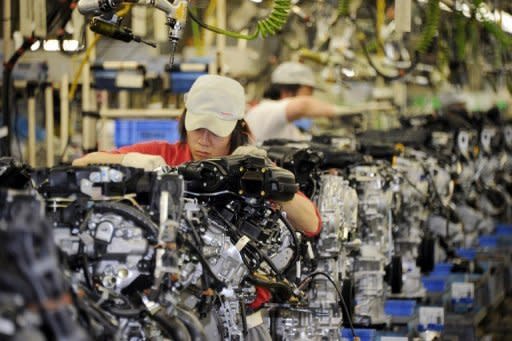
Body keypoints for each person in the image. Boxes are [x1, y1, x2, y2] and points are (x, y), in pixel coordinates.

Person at [72, 74, 322, 340]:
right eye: (197, 127)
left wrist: (268, 181)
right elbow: (81, 166)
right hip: (168, 321)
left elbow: (312, 224)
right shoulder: (165, 155)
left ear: (237, 127)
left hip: (241, 324)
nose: (203, 140)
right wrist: (131, 163)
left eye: (215, 131)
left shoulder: (250, 168)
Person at [245, 61, 343, 143]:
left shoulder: (288, 125)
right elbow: (303, 106)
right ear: (287, 92)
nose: (311, 97)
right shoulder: (263, 111)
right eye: (308, 93)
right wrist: (341, 112)